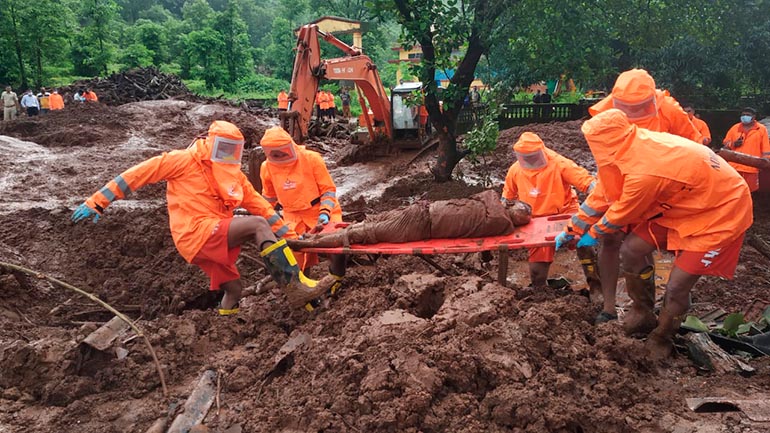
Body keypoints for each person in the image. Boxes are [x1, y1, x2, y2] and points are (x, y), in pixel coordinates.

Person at [71, 121, 335, 315]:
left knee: (235, 289)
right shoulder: (183, 161)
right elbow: (137, 175)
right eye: (224, 148)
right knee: (257, 226)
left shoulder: (237, 179)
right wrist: (97, 202)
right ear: (210, 143)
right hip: (195, 231)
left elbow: (265, 209)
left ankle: (225, 326)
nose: (229, 154)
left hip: (213, 237)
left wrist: (294, 239)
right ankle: (295, 285)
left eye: (234, 149)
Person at [576, 109, 752, 359]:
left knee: (677, 285)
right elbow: (605, 189)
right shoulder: (629, 145)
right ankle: (642, 311)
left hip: (721, 209)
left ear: (606, 143)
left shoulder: (644, 172)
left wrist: (591, 234)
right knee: (631, 250)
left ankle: (663, 335)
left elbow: (621, 213)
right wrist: (575, 224)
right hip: (684, 202)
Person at [558, 68, 703, 324]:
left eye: (638, 108)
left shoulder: (670, 111)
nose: (632, 115)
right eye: (625, 108)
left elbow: (694, 151)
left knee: (642, 247)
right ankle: (610, 306)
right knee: (611, 239)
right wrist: (577, 227)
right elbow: (606, 164)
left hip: (660, 189)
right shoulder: (606, 112)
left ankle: (654, 308)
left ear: (652, 100)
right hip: (623, 180)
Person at [259, 126, 346, 306]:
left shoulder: (311, 158)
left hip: (320, 210)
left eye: (284, 153)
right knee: (295, 257)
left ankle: (336, 280)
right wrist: (261, 219)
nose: (281, 157)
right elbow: (269, 198)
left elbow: (328, 190)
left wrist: (325, 214)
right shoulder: (266, 168)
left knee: (335, 246)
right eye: (276, 155)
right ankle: (307, 295)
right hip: (292, 215)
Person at [502, 132, 597, 288]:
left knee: (584, 244)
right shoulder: (515, 170)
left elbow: (587, 182)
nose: (530, 161)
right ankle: (540, 291)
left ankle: (596, 287)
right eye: (526, 158)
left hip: (564, 211)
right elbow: (507, 198)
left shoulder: (559, 164)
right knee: (537, 270)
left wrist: (596, 205)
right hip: (535, 220)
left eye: (533, 157)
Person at [288, 190, 532, 249]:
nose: (515, 216)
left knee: (361, 234)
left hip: (421, 226)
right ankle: (314, 236)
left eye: (519, 216)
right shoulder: (496, 209)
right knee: (367, 223)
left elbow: (488, 193)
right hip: (421, 211)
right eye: (515, 209)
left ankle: (310, 244)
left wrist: (501, 201)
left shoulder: (502, 222)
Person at [722, 107, 770, 193]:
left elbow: (766, 148)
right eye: (743, 115)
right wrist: (733, 144)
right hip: (734, 167)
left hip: (751, 167)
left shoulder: (761, 129)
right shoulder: (735, 128)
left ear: (754, 117)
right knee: (733, 191)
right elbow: (725, 146)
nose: (745, 117)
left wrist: (764, 162)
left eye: (748, 115)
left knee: (749, 192)